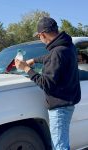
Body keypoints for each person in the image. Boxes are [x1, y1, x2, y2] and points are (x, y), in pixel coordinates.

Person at [15, 17, 81, 150]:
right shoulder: (68, 46)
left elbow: (46, 84)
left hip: (59, 107)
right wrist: (33, 60)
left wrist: (26, 69)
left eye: (39, 36)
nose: (41, 39)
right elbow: (51, 58)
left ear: (42, 34)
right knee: (60, 143)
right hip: (67, 103)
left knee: (60, 146)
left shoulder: (57, 52)